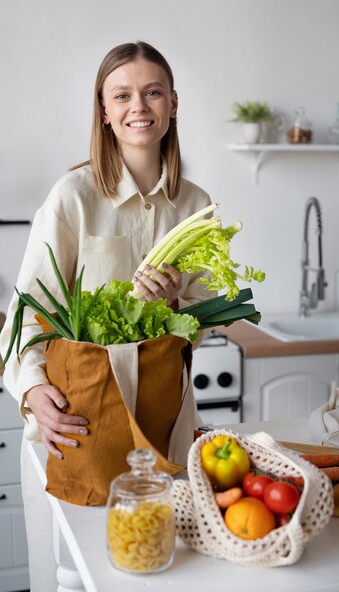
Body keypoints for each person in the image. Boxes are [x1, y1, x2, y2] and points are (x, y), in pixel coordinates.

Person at [0, 40, 212, 592]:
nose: (138, 105)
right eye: (122, 94)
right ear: (104, 109)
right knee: (78, 577)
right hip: (79, 427)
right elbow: (24, 314)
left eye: (152, 92)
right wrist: (31, 392)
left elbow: (207, 318)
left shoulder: (195, 207)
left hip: (162, 431)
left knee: (162, 568)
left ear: (172, 104)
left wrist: (173, 308)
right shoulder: (73, 196)